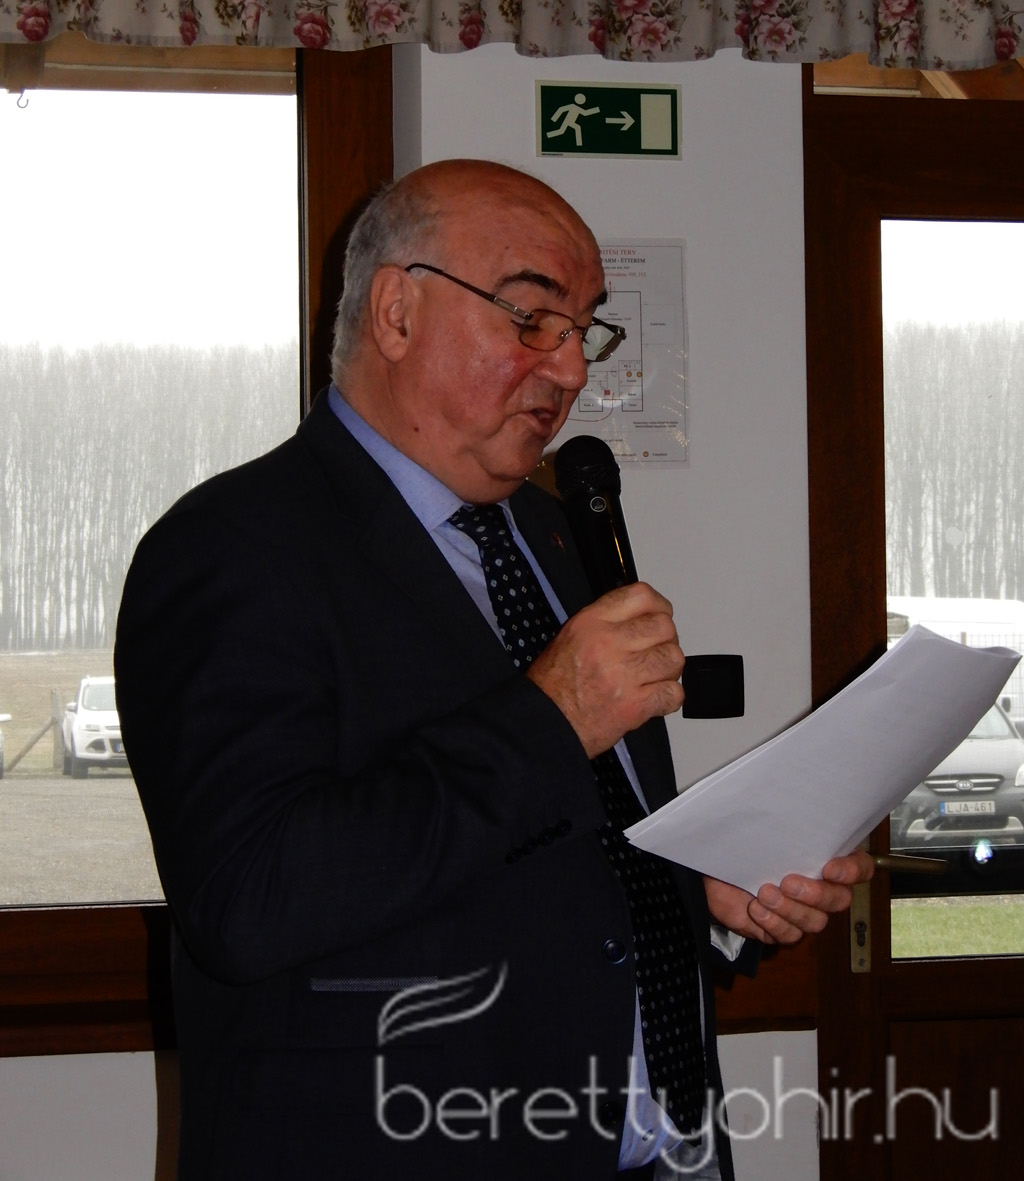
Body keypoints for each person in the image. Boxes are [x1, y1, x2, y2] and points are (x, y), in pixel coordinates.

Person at [115, 159, 872, 1181]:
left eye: (585, 330)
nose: (571, 370)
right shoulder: (231, 550)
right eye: (532, 319)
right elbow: (248, 899)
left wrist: (703, 889)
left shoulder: (556, 536)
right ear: (396, 312)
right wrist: (551, 715)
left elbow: (553, 851)